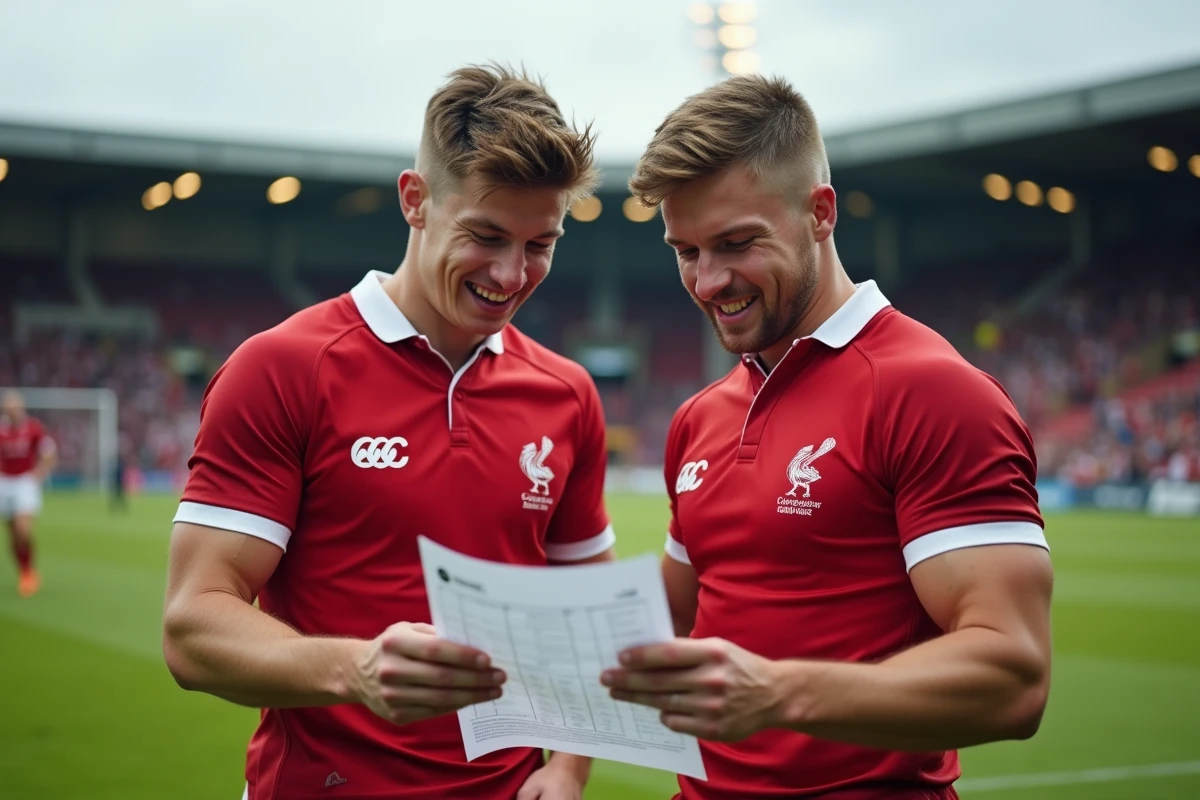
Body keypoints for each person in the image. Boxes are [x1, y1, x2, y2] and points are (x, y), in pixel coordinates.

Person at [162, 64, 613, 800]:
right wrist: (358, 671)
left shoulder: (567, 394)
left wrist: (567, 767)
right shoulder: (284, 368)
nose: (511, 273)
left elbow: (587, 621)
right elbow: (192, 628)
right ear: (416, 200)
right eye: (486, 235)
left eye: (541, 244)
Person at [601, 75, 1053, 799]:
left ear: (819, 212)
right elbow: (670, 614)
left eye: (736, 243)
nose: (709, 280)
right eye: (685, 250)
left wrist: (780, 694)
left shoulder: (934, 392)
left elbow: (1014, 674)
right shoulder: (700, 416)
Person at [0, 389, 56, 597]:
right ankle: (23, 569)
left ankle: (29, 570)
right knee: (13, 533)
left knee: (23, 530)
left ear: (21, 408)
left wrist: (40, 473)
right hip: (4, 482)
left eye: (15, 406)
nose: (11, 410)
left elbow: (49, 451)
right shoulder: (1, 429)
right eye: (8, 407)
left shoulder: (33, 428)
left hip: (25, 481)